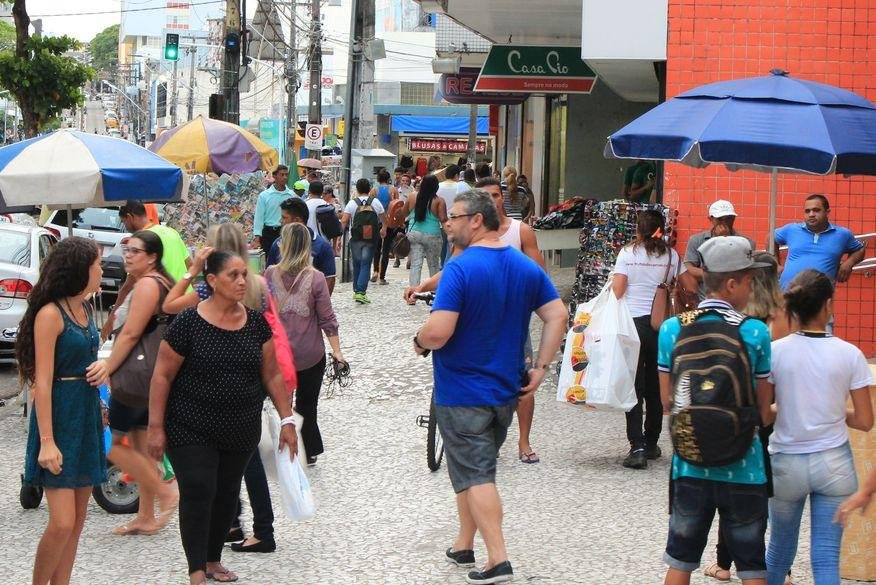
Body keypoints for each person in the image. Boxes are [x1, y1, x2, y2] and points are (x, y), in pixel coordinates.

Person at [414, 190, 567, 585]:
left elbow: (438, 333)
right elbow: (557, 314)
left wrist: (418, 339)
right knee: (471, 468)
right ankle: (464, 542)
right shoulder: (524, 266)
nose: (448, 224)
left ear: (477, 221)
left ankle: (498, 559)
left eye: (454, 217)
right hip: (504, 392)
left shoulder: (460, 270)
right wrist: (542, 368)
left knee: (478, 475)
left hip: (463, 392)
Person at [147, 250, 298, 585]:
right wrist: (155, 427)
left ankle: (213, 559)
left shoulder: (256, 323)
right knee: (199, 488)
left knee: (226, 493)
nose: (242, 281)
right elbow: (162, 376)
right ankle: (196, 569)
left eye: (244, 274)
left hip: (240, 428)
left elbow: (271, 374)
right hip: (190, 425)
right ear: (212, 281)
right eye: (233, 275)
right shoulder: (188, 322)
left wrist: (287, 421)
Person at [658, 236, 774, 585]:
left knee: (680, 562)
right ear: (732, 283)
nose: (753, 286)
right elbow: (763, 412)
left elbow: (667, 403)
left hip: (689, 464)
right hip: (745, 467)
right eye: (750, 279)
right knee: (752, 565)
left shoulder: (672, 329)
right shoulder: (754, 332)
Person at [160, 224, 279, 555]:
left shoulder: (205, 290)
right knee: (248, 464)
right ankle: (262, 527)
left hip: (223, 395)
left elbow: (170, 305)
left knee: (231, 472)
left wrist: (193, 272)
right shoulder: (259, 284)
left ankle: (234, 524)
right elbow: (273, 324)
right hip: (250, 386)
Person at [765, 269, 873, 585]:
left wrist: (786, 407)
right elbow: (866, 421)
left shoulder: (776, 352)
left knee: (778, 553)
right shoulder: (850, 354)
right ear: (829, 305)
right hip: (835, 464)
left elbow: (763, 413)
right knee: (826, 559)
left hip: (786, 462)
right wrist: (836, 411)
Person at [18, 237, 107, 585]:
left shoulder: (83, 308)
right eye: (96, 264)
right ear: (79, 270)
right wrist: (46, 441)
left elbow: (87, 358)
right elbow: (40, 380)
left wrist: (104, 368)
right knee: (62, 521)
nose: (101, 270)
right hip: (57, 418)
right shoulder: (50, 314)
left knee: (80, 517)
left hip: (85, 412)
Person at [92, 230, 180, 537]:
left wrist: (108, 367)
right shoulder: (161, 281)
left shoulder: (147, 284)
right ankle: (145, 515)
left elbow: (130, 333)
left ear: (152, 256)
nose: (127, 255)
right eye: (126, 250)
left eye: (135, 252)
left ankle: (166, 492)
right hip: (151, 376)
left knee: (116, 446)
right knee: (142, 447)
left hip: (135, 376)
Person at [266, 223, 345, 465]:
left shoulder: (269, 274)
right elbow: (327, 319)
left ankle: (284, 448)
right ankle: (308, 451)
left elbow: (261, 311)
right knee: (308, 405)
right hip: (310, 354)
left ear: (284, 245)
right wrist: (338, 352)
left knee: (281, 403)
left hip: (278, 354)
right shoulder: (317, 278)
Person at [612, 210, 680, 470]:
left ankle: (637, 446)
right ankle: (651, 442)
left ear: (638, 230)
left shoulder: (628, 253)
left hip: (633, 325)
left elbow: (619, 290)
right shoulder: (672, 256)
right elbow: (682, 284)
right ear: (662, 229)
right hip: (660, 325)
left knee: (634, 386)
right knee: (655, 384)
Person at [102, 199, 191, 340]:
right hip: (185, 306)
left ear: (130, 217)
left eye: (124, 222)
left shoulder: (142, 240)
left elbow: (127, 287)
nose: (125, 226)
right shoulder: (171, 232)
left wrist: (111, 320)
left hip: (161, 313)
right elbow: (190, 266)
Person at [774, 194, 866, 291]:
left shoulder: (842, 234)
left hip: (820, 299)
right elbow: (770, 238)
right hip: (787, 295)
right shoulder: (791, 229)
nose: (811, 214)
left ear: (827, 212)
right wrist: (775, 264)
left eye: (816, 210)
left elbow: (860, 249)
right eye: (807, 211)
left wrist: (848, 263)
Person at [683, 200, 755, 300]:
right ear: (711, 219)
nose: (725, 223)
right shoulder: (697, 240)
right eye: (720, 219)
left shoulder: (746, 243)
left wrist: (726, 240)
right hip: (704, 299)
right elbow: (688, 269)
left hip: (735, 300)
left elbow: (742, 270)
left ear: (734, 218)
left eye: (729, 219)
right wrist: (714, 276)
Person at [267, 198, 336, 294]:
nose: (280, 221)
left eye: (284, 217)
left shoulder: (322, 246)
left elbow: (329, 278)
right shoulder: (278, 244)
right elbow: (270, 279)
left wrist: (320, 303)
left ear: (297, 220)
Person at [340, 178, 388, 304]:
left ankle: (357, 290)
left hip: (355, 238)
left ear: (357, 189)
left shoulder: (352, 203)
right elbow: (384, 217)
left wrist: (339, 236)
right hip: (371, 238)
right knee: (366, 263)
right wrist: (384, 228)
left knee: (357, 263)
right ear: (369, 189)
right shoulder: (375, 202)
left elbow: (344, 221)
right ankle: (361, 292)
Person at [403, 174, 447, 290]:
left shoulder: (412, 197)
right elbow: (443, 220)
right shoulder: (439, 201)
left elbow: (404, 213)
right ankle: (435, 293)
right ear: (436, 187)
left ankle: (413, 292)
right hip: (433, 235)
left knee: (416, 265)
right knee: (433, 265)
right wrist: (451, 235)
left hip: (414, 234)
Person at [253, 165, 295, 254]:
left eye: (286, 175)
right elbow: (259, 218)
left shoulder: (291, 195)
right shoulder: (264, 195)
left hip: (287, 232)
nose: (285, 177)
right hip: (269, 233)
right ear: (274, 176)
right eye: (282, 175)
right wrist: (257, 239)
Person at [370, 169, 400, 285]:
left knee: (376, 248)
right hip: (389, 221)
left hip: (376, 221)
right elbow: (396, 206)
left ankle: (375, 271)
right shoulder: (393, 190)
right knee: (386, 248)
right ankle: (382, 277)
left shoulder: (374, 190)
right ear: (388, 179)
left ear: (378, 179)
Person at [437, 165, 461, 266]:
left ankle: (441, 265)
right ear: (456, 175)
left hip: (439, 221)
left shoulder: (438, 186)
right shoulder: (459, 187)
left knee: (442, 246)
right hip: (454, 221)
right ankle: (446, 268)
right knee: (450, 247)